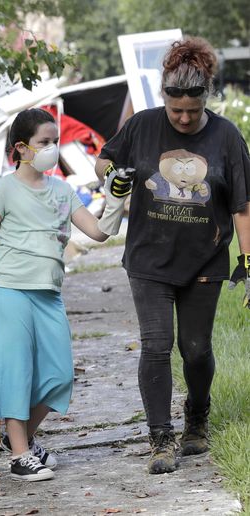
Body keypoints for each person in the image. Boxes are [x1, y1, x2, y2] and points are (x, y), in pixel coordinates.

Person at [94, 36, 250, 475]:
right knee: (156, 347)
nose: (183, 118)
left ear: (207, 98)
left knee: (196, 350)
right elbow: (102, 162)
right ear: (163, 94)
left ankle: (196, 418)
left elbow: (242, 205)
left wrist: (249, 263)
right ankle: (160, 438)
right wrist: (115, 179)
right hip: (148, 260)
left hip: (205, 260)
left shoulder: (227, 136)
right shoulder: (142, 126)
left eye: (192, 111)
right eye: (175, 109)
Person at [0, 108, 126, 481]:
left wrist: (116, 200)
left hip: (48, 295)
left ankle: (22, 439)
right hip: (11, 291)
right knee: (17, 373)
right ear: (22, 148)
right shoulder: (3, 189)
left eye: (55, 142)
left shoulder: (63, 191)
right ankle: (19, 455)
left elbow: (98, 233)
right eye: (44, 143)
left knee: (59, 375)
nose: (52, 148)